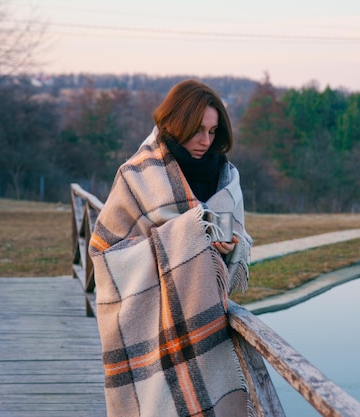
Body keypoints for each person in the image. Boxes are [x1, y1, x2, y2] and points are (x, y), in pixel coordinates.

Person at [89, 79, 252, 417]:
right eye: (197, 131)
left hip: (208, 319)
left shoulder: (226, 178)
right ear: (177, 125)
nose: (205, 142)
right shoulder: (138, 176)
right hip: (150, 322)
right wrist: (189, 236)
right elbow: (104, 250)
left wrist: (229, 248)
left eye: (212, 131)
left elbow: (227, 252)